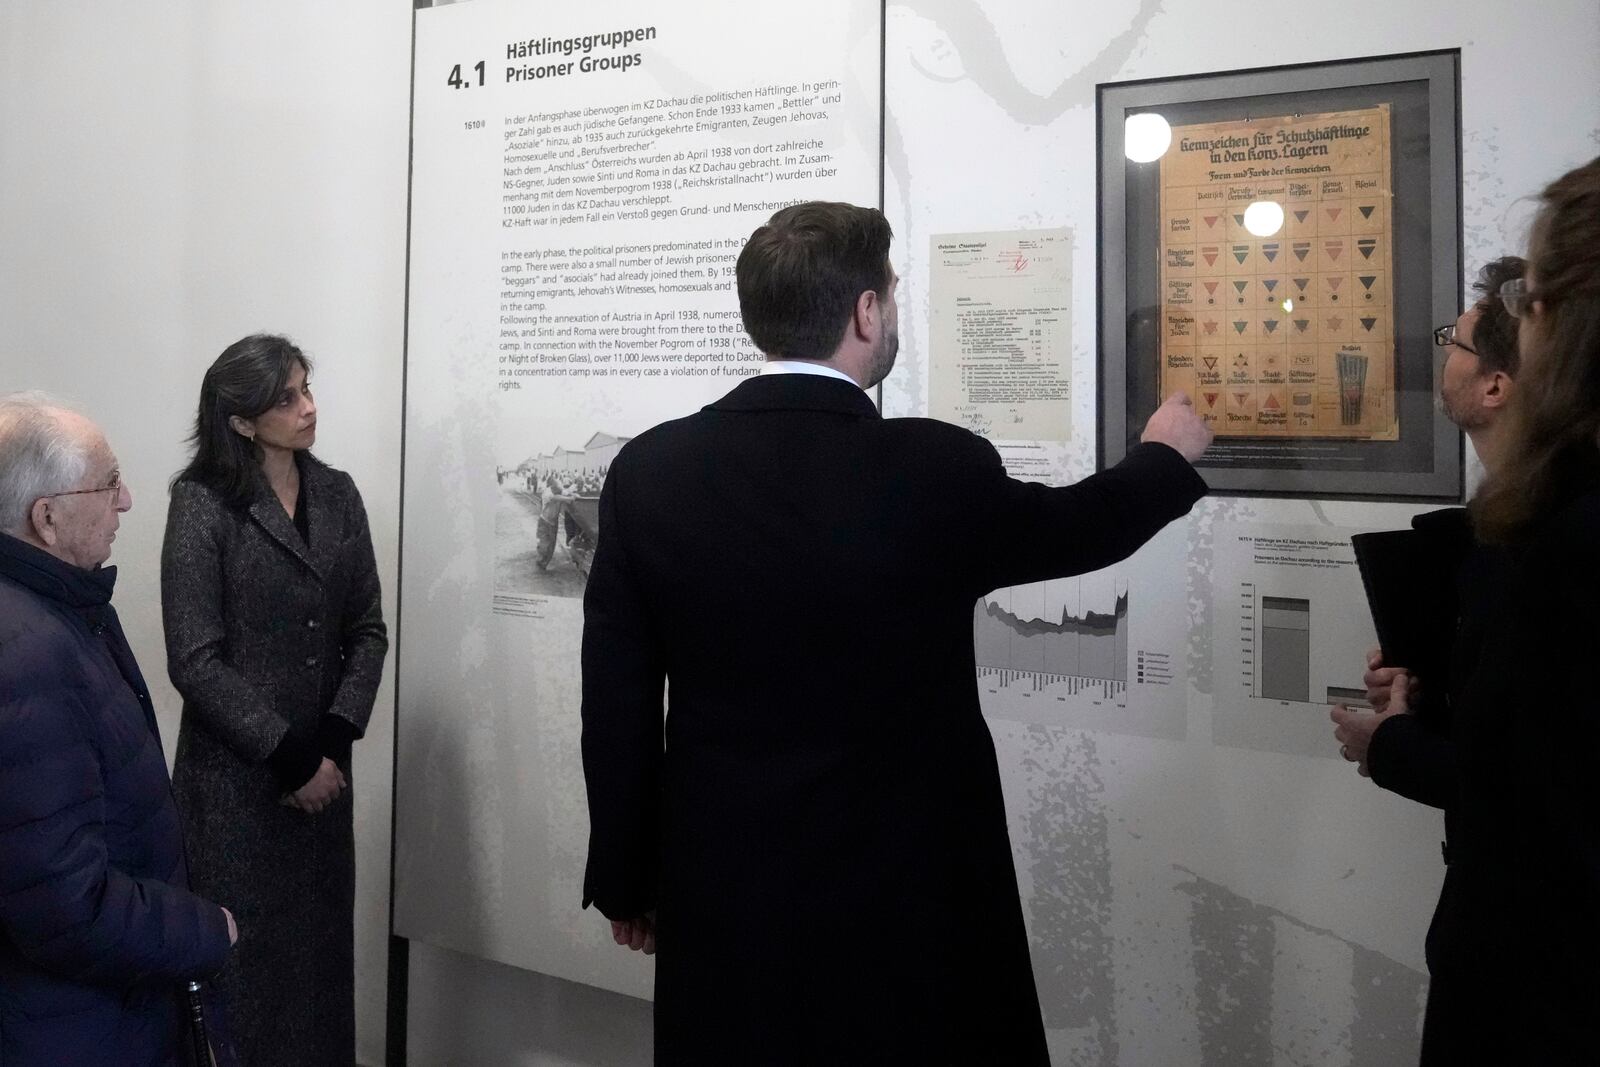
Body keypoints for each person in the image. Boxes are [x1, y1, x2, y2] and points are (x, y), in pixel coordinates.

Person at [580, 201, 1212, 1063]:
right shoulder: (934, 468)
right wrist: (1165, 456)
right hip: (914, 891)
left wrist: (626, 878)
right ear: (866, 312)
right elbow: (1079, 526)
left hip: (726, 885)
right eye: (893, 296)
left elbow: (615, 698)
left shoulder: (650, 471)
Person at [1392, 158, 1600, 1064]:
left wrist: (1395, 741)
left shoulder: (1564, 547)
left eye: (1540, 297)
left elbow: (1524, 799)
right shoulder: (1536, 531)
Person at [162, 335, 387, 1066]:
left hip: (321, 790)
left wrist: (331, 745)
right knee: (241, 984)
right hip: (236, 792)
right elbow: (195, 658)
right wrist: (291, 757)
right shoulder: (202, 504)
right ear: (241, 421)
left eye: (306, 388)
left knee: (318, 981)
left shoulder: (337, 493)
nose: (308, 407)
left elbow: (367, 629)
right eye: (286, 398)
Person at [0, 393, 237, 1065]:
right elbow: (64, 905)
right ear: (46, 517)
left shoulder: (64, 606)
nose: (127, 499)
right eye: (107, 483)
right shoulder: (25, 656)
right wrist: (203, 929)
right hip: (74, 1025)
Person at [1330, 256, 1524, 789]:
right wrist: (1431, 691)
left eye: (1455, 342)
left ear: (1494, 387)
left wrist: (1393, 747)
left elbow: (1549, 787)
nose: (1444, 353)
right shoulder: (1502, 535)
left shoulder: (1553, 548)